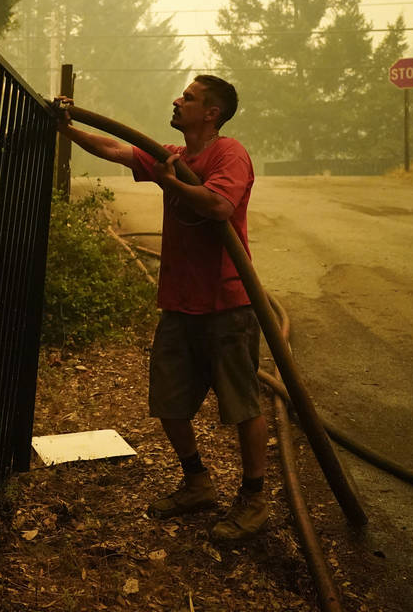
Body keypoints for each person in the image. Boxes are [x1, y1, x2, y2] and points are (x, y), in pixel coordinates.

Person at [54, 75, 268, 541]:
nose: (177, 100)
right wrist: (67, 127)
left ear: (211, 113)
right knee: (168, 401)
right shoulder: (173, 155)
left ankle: (255, 497)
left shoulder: (228, 153)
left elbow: (219, 204)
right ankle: (197, 483)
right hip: (180, 304)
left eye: (188, 98)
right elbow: (115, 149)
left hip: (226, 304)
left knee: (242, 405)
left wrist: (174, 182)